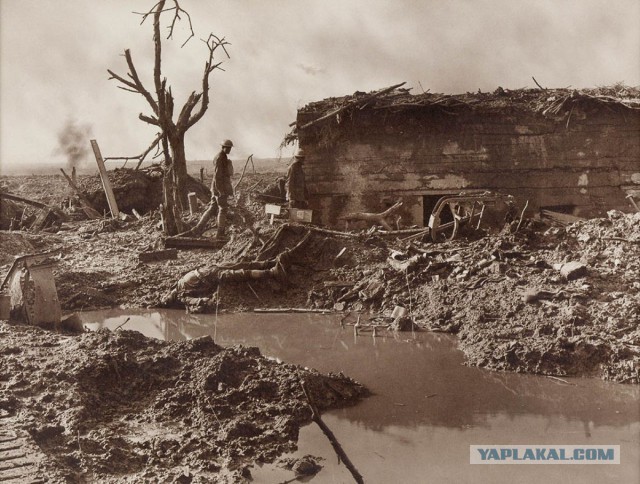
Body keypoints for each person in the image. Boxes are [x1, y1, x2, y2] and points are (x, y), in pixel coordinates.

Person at [212, 139, 234, 238]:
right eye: (227, 148)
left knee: (212, 208)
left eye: (230, 148)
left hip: (217, 188)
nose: (229, 150)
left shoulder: (222, 156)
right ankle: (220, 233)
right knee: (223, 209)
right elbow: (217, 176)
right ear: (223, 147)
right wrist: (221, 191)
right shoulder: (220, 158)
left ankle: (197, 229)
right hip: (219, 188)